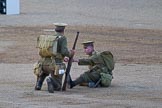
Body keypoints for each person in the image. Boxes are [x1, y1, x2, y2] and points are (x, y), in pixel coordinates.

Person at [33, 23, 75, 93]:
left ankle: (38, 84)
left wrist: (62, 57)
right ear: (63, 30)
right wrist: (71, 54)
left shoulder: (50, 37)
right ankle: (51, 80)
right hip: (55, 64)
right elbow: (64, 51)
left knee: (43, 73)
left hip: (43, 63)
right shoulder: (62, 38)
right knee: (58, 87)